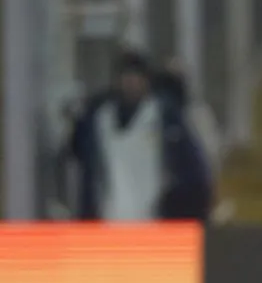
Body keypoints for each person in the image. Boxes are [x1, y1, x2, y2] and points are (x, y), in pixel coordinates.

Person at [68, 49, 212, 221]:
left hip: (154, 222)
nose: (131, 83)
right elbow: (81, 157)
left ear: (147, 81)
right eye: (126, 77)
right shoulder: (100, 119)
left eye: (136, 77)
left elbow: (192, 172)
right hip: (109, 220)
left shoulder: (164, 119)